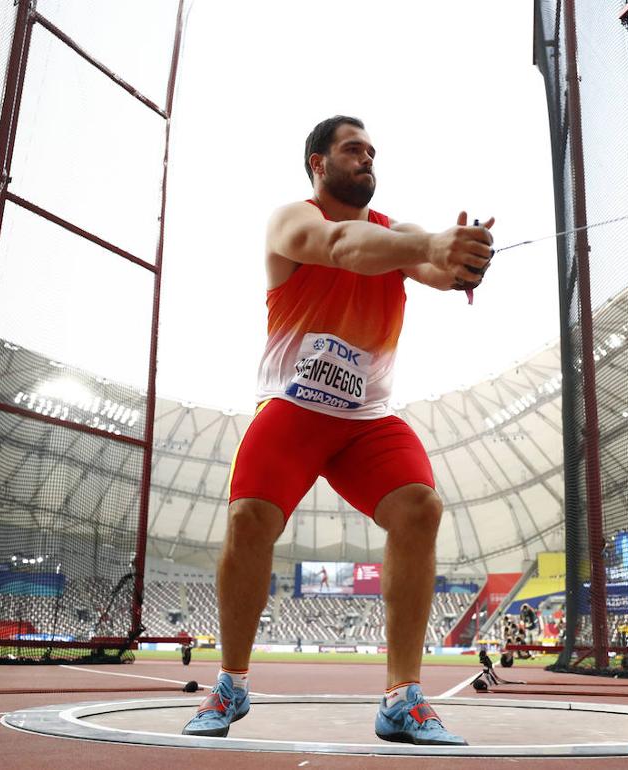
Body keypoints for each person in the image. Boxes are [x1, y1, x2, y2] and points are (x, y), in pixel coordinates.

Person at [182, 116, 493, 746]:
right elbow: (340, 249)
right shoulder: (290, 221)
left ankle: (402, 699)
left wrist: (461, 262)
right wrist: (429, 248)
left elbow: (433, 269)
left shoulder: (399, 233)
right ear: (318, 163)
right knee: (247, 520)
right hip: (295, 412)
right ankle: (230, 684)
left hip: (365, 423)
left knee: (420, 508)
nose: (367, 159)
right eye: (354, 150)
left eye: (373, 151)